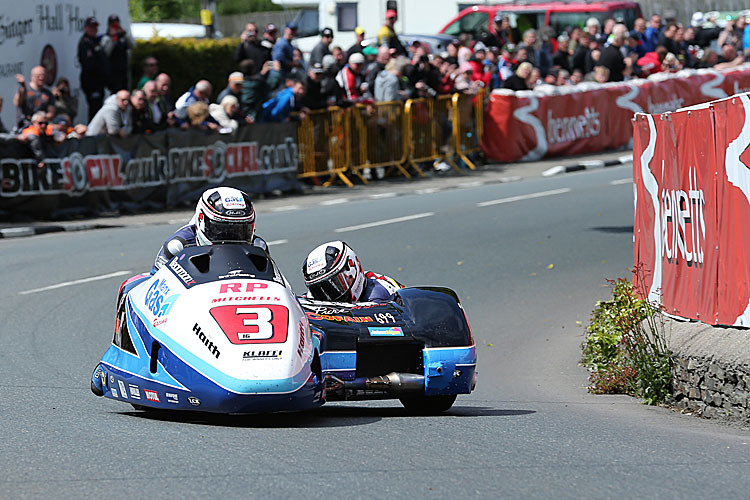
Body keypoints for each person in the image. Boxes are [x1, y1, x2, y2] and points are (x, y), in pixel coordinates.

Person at [151, 187, 268, 274]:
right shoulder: (177, 246)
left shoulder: (259, 246)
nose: (230, 238)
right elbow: (155, 283)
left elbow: (272, 280)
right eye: (221, 230)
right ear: (202, 221)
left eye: (240, 231)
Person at [302, 241, 403, 303]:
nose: (329, 298)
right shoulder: (311, 298)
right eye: (319, 291)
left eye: (334, 287)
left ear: (351, 268)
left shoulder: (381, 293)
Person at [77, 16, 109, 122]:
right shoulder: (85, 43)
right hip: (92, 82)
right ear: (86, 28)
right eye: (91, 27)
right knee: (94, 108)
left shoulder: (96, 41)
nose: (94, 30)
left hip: (100, 82)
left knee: (99, 107)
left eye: (95, 27)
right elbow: (89, 64)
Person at [101, 14, 135, 93]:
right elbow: (106, 53)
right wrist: (112, 38)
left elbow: (133, 46)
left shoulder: (123, 36)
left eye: (116, 23)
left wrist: (125, 34)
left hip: (124, 71)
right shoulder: (106, 37)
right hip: (113, 73)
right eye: (113, 24)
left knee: (126, 92)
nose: (115, 25)